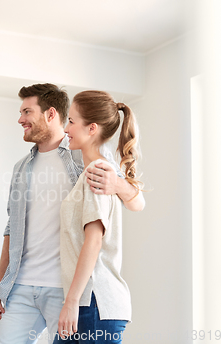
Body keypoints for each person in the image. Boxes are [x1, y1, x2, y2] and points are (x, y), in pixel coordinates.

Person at [0, 84, 145, 344]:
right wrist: (0, 281)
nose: (20, 119)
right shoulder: (21, 168)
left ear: (51, 114)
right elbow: (11, 226)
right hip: (22, 285)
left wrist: (117, 184)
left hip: (67, 288)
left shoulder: (84, 155)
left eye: (27, 111)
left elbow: (135, 202)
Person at [55, 90, 142, 343]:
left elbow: (93, 241)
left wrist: (71, 302)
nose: (66, 128)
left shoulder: (98, 172)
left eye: (71, 121)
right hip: (88, 302)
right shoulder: (99, 171)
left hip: (94, 302)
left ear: (91, 128)